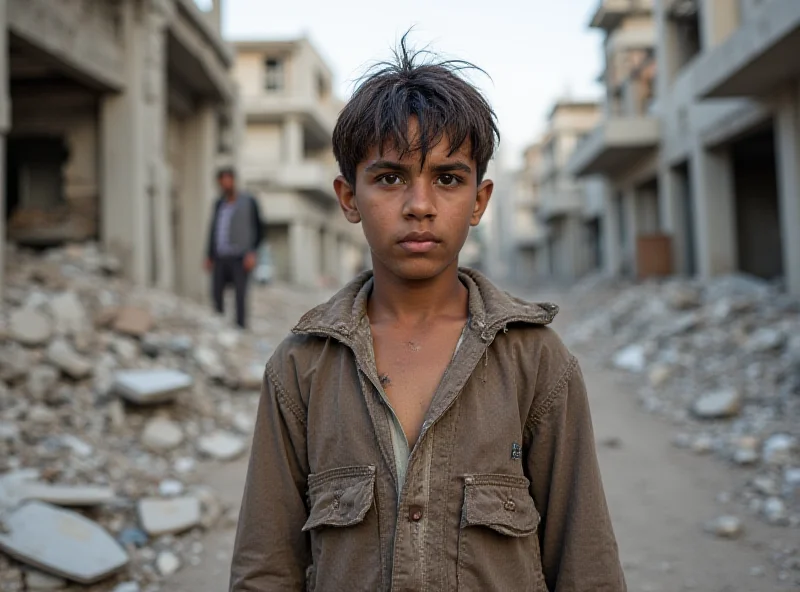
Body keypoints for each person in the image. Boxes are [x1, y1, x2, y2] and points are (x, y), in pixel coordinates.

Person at [230, 36, 626, 591]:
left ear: (480, 201)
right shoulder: (301, 370)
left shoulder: (537, 362)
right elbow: (264, 568)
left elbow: (587, 565)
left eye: (447, 178)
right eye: (390, 178)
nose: (420, 205)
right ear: (349, 197)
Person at [204, 167, 263, 329]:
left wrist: (252, 252)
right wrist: (209, 255)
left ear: (234, 181)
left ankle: (240, 326)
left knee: (240, 294)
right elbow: (213, 229)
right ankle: (219, 323)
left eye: (228, 180)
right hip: (220, 255)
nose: (226, 184)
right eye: (222, 181)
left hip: (240, 256)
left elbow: (259, 229)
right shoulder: (219, 204)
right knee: (216, 292)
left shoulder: (249, 201)